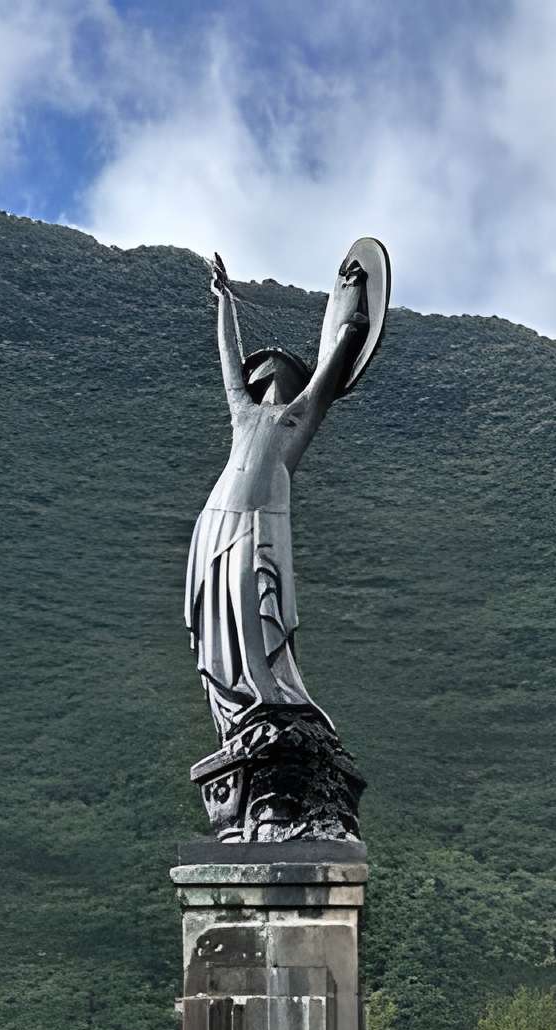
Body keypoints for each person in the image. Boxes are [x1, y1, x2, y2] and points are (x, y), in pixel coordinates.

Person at [185, 251, 367, 745]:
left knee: (256, 597)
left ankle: (272, 694)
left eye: (274, 366)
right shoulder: (242, 412)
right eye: (261, 366)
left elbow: (335, 363)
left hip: (261, 517)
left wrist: (351, 315)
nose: (264, 370)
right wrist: (223, 300)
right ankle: (237, 702)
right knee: (220, 610)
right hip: (220, 515)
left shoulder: (298, 415)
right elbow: (226, 356)